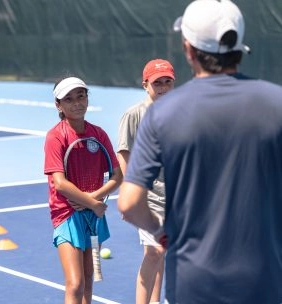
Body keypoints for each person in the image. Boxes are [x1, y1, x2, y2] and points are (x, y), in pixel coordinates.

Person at [117, 0, 282, 303]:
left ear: (188, 49)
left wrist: (160, 231)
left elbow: (128, 204)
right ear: (239, 45)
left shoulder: (163, 114)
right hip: (265, 279)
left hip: (195, 282)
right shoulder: (276, 103)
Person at [44, 76, 122, 303]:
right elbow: (60, 183)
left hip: (91, 213)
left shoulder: (99, 134)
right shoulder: (55, 136)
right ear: (58, 105)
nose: (77, 103)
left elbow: (118, 177)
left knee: (88, 281)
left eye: (81, 96)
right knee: (75, 283)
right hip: (66, 215)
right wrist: (93, 202)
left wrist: (92, 200)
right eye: (68, 99)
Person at [117, 59, 175, 304]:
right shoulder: (134, 115)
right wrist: (130, 194)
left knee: (162, 253)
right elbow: (124, 154)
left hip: (174, 198)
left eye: (167, 82)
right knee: (154, 252)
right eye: (157, 83)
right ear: (145, 85)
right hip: (148, 198)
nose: (162, 87)